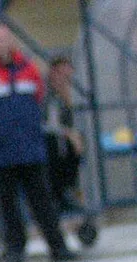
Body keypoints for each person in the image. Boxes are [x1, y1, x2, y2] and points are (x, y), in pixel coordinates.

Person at [0, 25, 76, 262]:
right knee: (7, 204)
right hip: (0, 152)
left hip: (30, 148)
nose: (1, 45)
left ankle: (58, 247)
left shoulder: (28, 69)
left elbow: (38, 99)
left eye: (5, 40)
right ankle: (15, 250)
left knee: (42, 200)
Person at [43, 55, 85, 213]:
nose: (66, 78)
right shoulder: (49, 95)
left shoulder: (66, 94)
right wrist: (69, 134)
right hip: (47, 140)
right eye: (63, 73)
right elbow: (50, 124)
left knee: (73, 148)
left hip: (60, 140)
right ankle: (59, 196)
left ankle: (66, 193)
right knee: (59, 147)